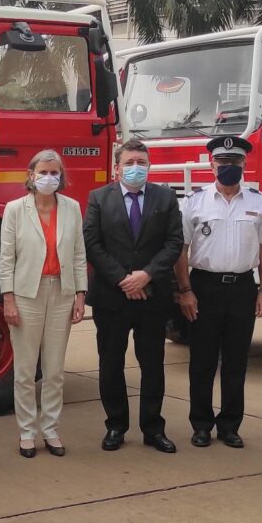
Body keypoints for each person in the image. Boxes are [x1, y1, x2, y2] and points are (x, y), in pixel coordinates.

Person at [173, 136, 262, 449]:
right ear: (211, 164)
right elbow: (182, 249)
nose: (228, 167)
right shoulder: (195, 201)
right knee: (202, 361)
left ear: (244, 165)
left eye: (234, 163)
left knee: (236, 362)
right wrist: (185, 290)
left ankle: (230, 425)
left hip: (243, 288)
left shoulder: (258, 202)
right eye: (222, 162)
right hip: (204, 287)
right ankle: (201, 424)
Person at [83, 138, 184, 454]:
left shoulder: (165, 198)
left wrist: (146, 275)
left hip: (153, 296)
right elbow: (92, 244)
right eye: (129, 163)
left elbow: (174, 242)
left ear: (149, 165)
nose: (136, 168)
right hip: (112, 297)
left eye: (141, 162)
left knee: (152, 363)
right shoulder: (99, 198)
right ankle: (116, 425)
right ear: (117, 168)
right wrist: (123, 279)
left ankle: (153, 428)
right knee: (110, 363)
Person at [0, 150, 88, 458]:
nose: (49, 177)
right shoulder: (15, 210)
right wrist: (8, 299)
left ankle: (50, 429)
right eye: (44, 171)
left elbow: (78, 254)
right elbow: (7, 258)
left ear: (61, 176)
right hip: (27, 295)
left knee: (54, 370)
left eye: (55, 172)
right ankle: (27, 431)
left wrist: (80, 294)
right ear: (31, 174)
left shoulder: (72, 208)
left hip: (61, 293)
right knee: (24, 370)